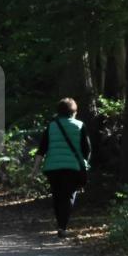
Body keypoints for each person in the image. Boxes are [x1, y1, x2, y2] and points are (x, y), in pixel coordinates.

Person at [32, 97, 92, 238]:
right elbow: (87, 149)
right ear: (74, 111)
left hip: (53, 168)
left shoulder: (52, 126)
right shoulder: (80, 125)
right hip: (72, 167)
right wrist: (84, 164)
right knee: (68, 196)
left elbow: (42, 149)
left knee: (57, 195)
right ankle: (62, 227)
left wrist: (35, 169)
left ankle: (60, 225)